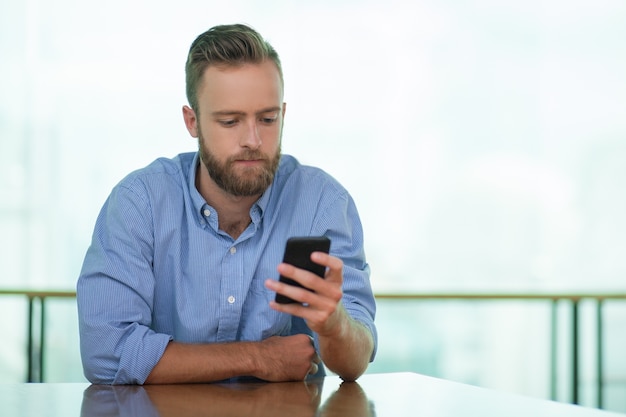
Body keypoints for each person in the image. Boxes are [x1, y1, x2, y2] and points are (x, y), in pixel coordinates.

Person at [76, 23, 377, 385]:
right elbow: (106, 354)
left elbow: (356, 361)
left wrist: (334, 325)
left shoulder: (323, 203)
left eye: (268, 119)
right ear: (193, 122)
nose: (252, 140)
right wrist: (257, 358)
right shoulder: (139, 204)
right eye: (230, 121)